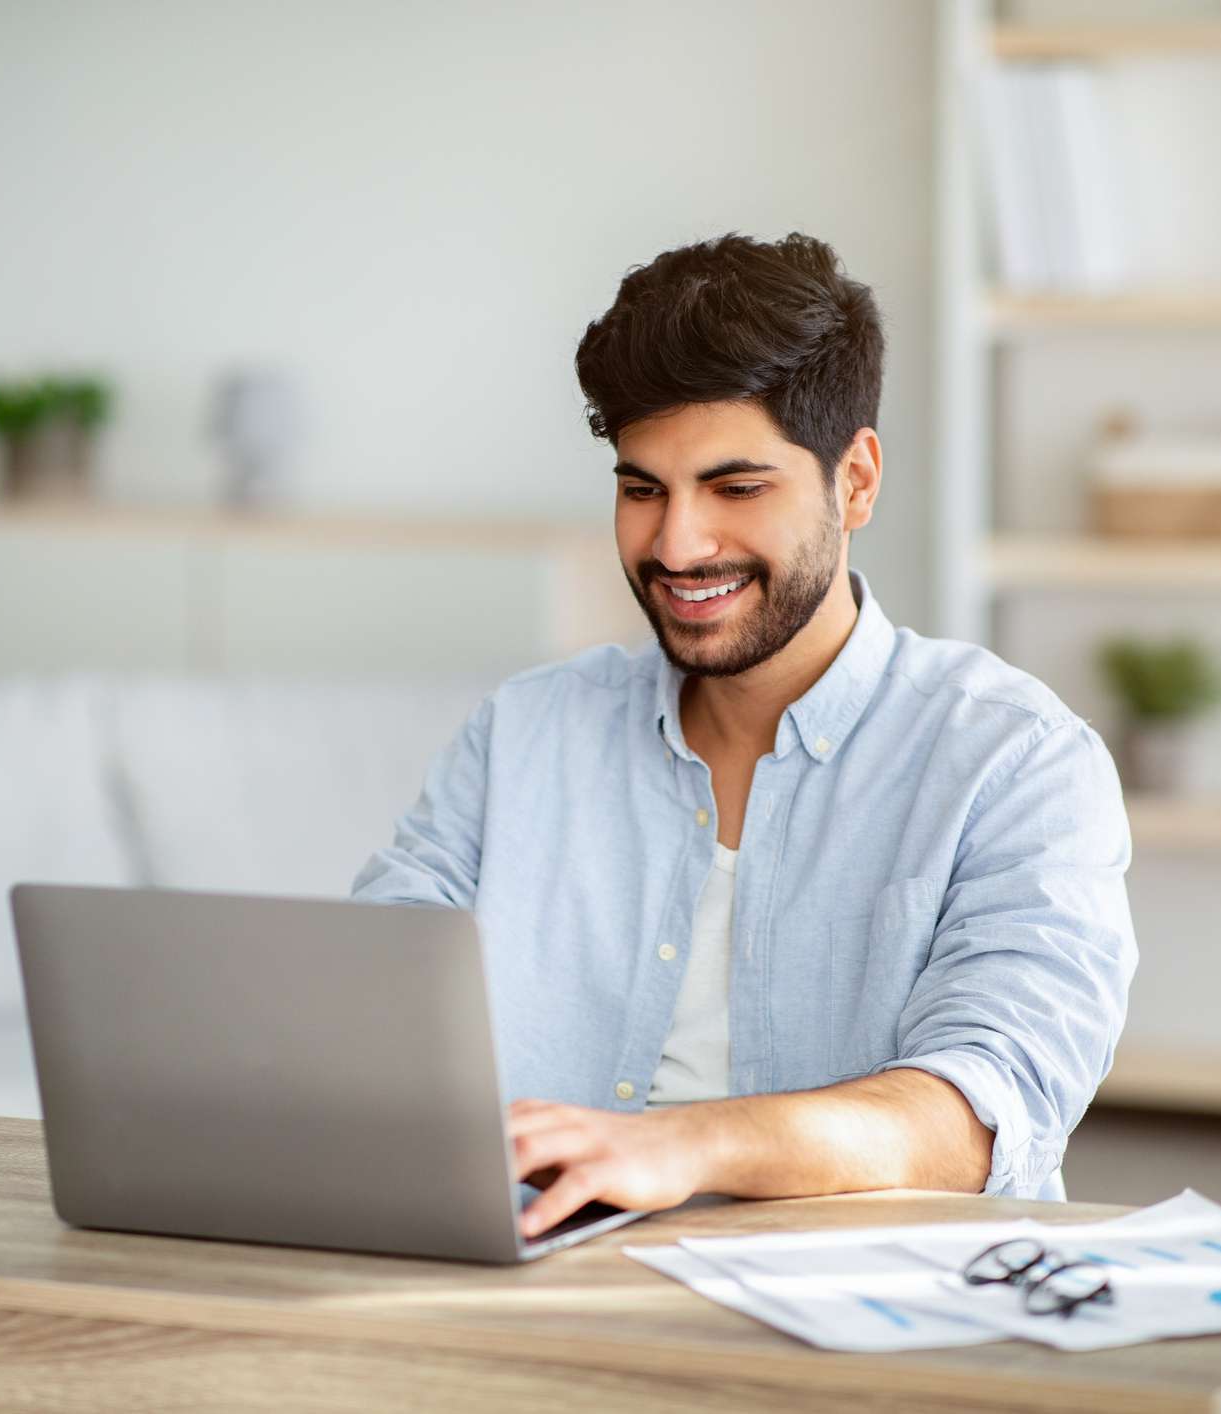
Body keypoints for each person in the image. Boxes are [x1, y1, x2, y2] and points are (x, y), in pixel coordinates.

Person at [352, 232, 1136, 1240]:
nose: (677, 545)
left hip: (865, 1322)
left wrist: (680, 1145)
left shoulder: (1016, 760)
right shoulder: (526, 734)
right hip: (532, 1293)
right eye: (643, 490)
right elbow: (370, 1007)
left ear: (854, 480)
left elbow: (980, 1113)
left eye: (735, 488)